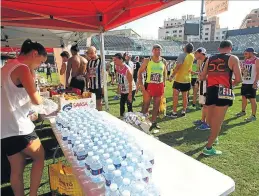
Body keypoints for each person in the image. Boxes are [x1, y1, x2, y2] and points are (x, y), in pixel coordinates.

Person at [1, 39, 46, 196]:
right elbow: (36, 100)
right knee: (40, 156)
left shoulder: (6, 67)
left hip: (4, 129)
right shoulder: (22, 68)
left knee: (17, 168)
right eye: (40, 61)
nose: (39, 66)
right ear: (34, 54)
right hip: (18, 127)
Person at [200, 40, 242, 156]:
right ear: (230, 48)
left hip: (211, 90)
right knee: (218, 120)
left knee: (211, 119)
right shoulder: (233, 58)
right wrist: (230, 84)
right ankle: (208, 148)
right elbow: (239, 79)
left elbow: (203, 76)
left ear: (219, 49)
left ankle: (215, 137)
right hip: (224, 90)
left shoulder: (210, 58)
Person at [138, 44, 167, 131]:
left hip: (159, 85)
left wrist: (164, 84)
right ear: (152, 51)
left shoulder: (164, 61)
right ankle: (142, 123)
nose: (158, 51)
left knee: (156, 106)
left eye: (159, 50)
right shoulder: (147, 60)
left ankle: (153, 122)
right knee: (146, 105)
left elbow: (165, 72)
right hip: (149, 85)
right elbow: (139, 72)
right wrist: (141, 85)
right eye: (156, 50)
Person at [169, 43, 195, 117]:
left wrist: (172, 76)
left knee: (175, 96)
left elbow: (178, 67)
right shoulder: (192, 56)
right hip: (187, 79)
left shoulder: (182, 55)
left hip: (179, 79)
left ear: (185, 48)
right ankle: (184, 111)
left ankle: (174, 112)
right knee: (185, 96)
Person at [236, 47, 258, 122]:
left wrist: (255, 82)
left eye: (246, 53)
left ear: (251, 53)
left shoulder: (256, 60)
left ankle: (253, 115)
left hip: (252, 83)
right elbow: (244, 71)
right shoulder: (246, 60)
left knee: (252, 99)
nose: (244, 55)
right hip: (245, 82)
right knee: (243, 97)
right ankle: (243, 111)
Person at [192, 47, 210, 130]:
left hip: (207, 86)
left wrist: (202, 78)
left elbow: (210, 75)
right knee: (203, 105)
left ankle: (207, 123)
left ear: (200, 53)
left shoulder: (208, 61)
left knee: (207, 105)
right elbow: (202, 74)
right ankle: (203, 120)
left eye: (196, 53)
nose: (195, 55)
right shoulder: (203, 62)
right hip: (203, 85)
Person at [87, 46, 103, 111]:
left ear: (95, 52)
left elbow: (105, 74)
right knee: (92, 103)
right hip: (91, 86)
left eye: (92, 53)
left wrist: (103, 87)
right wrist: (87, 84)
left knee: (99, 103)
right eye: (89, 53)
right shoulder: (89, 62)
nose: (90, 55)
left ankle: (100, 115)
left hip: (99, 86)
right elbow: (88, 74)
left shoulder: (101, 61)